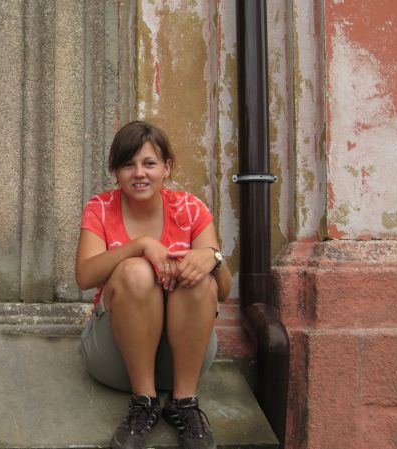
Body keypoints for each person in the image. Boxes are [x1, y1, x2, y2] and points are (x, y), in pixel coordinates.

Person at [75, 121, 232, 449]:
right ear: (115, 171)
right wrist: (140, 246)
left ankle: (184, 404)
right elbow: (85, 276)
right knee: (136, 271)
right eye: (127, 164)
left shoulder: (190, 209)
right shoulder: (100, 208)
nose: (139, 173)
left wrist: (212, 258)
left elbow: (224, 291)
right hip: (115, 356)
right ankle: (143, 403)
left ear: (167, 167)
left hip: (184, 360)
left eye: (149, 163)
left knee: (198, 279)